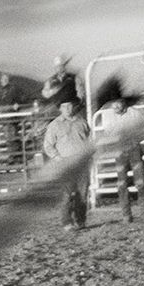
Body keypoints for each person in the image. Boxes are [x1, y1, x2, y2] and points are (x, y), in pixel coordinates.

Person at [93, 90, 144, 222]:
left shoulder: (135, 113)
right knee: (122, 182)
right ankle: (126, 214)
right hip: (119, 150)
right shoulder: (108, 116)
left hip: (134, 148)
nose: (116, 106)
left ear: (123, 102)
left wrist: (136, 137)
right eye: (114, 104)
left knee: (140, 181)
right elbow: (110, 133)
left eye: (118, 103)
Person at [41, 98, 94, 230]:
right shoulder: (54, 125)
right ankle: (67, 222)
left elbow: (89, 139)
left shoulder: (82, 123)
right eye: (65, 107)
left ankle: (80, 220)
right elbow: (48, 146)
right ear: (60, 108)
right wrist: (57, 158)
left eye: (70, 106)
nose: (68, 109)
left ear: (73, 107)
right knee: (67, 194)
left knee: (82, 193)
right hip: (66, 162)